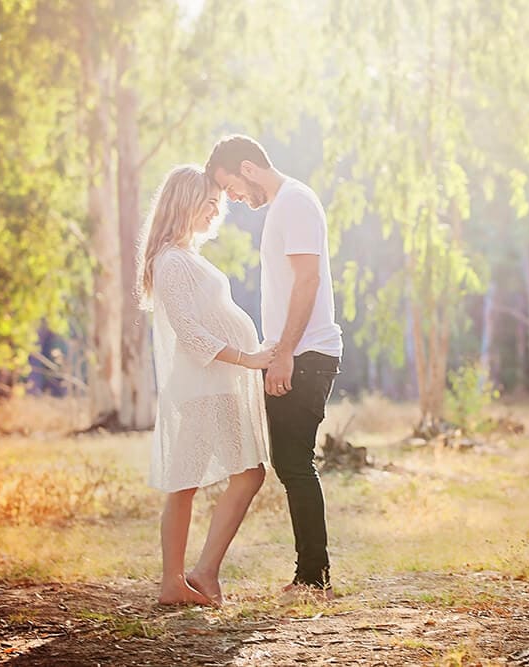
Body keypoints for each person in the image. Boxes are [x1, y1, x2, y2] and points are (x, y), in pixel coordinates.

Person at [206, 136, 344, 597]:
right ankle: (311, 575)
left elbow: (308, 279)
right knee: (291, 463)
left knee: (295, 464)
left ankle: (313, 578)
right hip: (293, 352)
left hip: (304, 354)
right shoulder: (284, 207)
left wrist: (284, 352)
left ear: (249, 168)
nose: (235, 199)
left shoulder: (295, 203)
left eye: (232, 188)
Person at [137, 165, 274, 606]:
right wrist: (248, 358)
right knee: (234, 476)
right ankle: (192, 577)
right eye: (208, 202)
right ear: (182, 202)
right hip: (204, 387)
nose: (216, 211)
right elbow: (191, 333)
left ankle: (186, 578)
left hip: (210, 385)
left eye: (219, 204)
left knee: (200, 482)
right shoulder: (172, 261)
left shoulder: (185, 256)